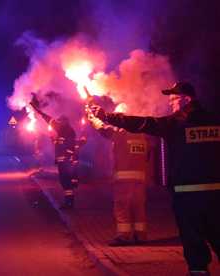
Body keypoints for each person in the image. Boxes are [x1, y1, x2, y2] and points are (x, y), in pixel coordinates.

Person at [88, 82, 220, 275]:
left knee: (193, 243)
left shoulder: (175, 123)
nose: (171, 104)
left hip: (187, 196)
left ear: (186, 99)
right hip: (216, 195)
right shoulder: (215, 120)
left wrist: (106, 116)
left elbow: (143, 123)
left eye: (173, 100)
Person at [89, 116, 150, 246]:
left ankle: (124, 236)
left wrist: (93, 119)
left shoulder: (121, 133)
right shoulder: (142, 135)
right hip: (140, 180)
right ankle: (141, 236)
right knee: (138, 207)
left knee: (122, 208)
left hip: (124, 181)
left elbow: (103, 129)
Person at [30, 95, 77, 209]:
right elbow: (48, 119)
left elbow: (70, 146)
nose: (57, 123)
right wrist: (37, 110)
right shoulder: (64, 130)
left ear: (64, 122)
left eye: (60, 121)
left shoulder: (68, 131)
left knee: (66, 182)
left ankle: (69, 203)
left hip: (66, 162)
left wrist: (68, 157)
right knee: (65, 182)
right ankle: (68, 202)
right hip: (64, 162)